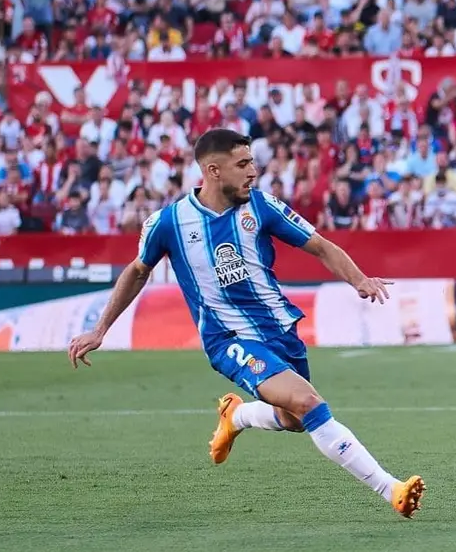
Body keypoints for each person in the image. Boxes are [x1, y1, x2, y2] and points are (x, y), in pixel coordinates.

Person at [67, 129, 425, 518]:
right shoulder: (168, 223)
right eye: (243, 164)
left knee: (294, 419)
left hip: (279, 329)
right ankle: (391, 489)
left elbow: (320, 245)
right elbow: (138, 272)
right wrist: (100, 329)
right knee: (309, 404)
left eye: (252, 161)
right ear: (213, 170)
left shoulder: (262, 206)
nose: (253, 171)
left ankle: (236, 416)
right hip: (228, 339)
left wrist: (359, 280)